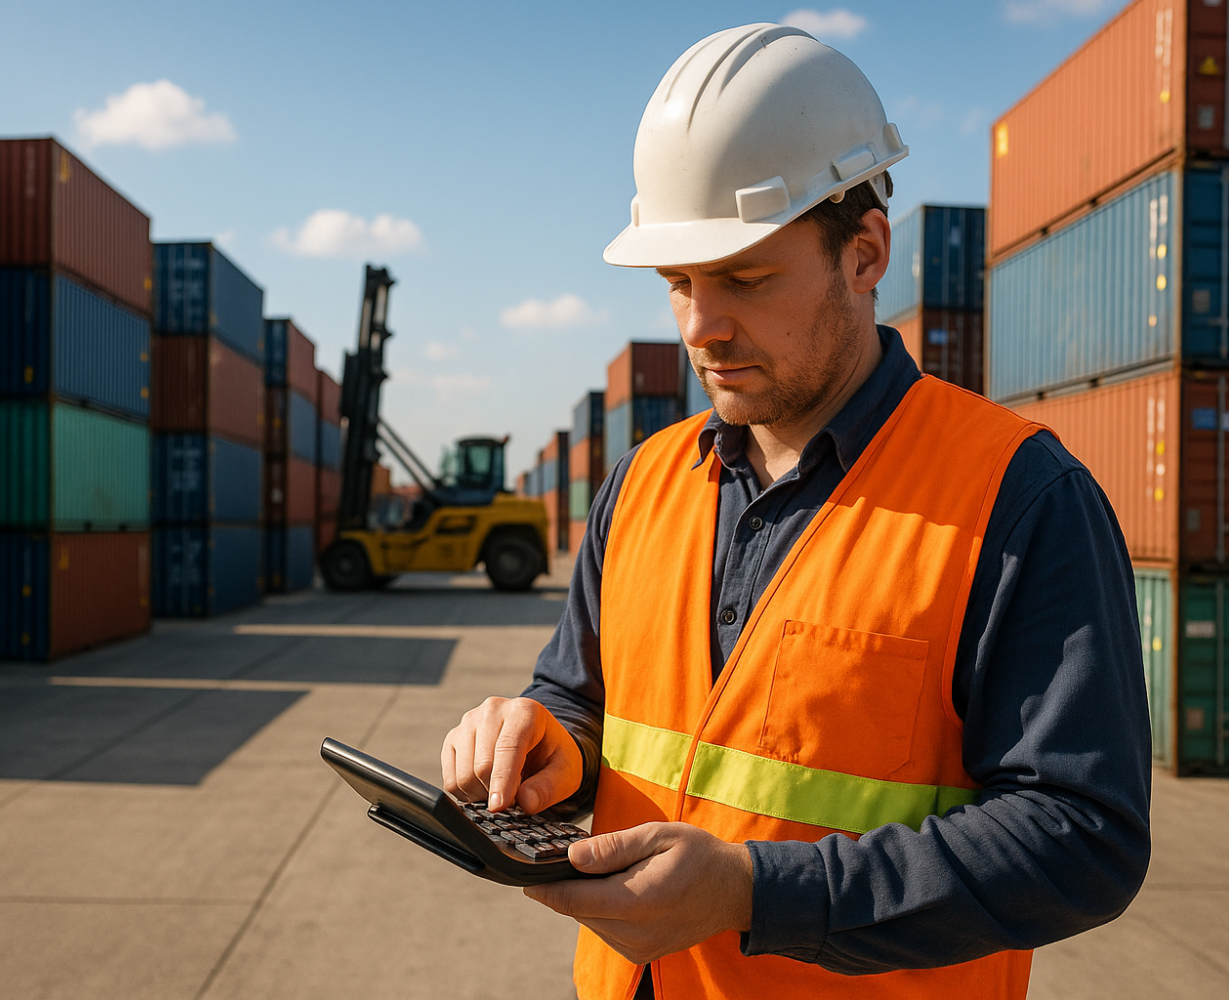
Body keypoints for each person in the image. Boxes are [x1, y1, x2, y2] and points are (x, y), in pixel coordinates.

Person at [441, 22, 1151, 1000]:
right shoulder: (640, 482)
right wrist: (538, 741)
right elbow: (584, 701)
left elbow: (1085, 835)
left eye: (745, 276)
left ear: (865, 254)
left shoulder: (1020, 498)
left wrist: (756, 893)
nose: (700, 325)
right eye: (680, 282)